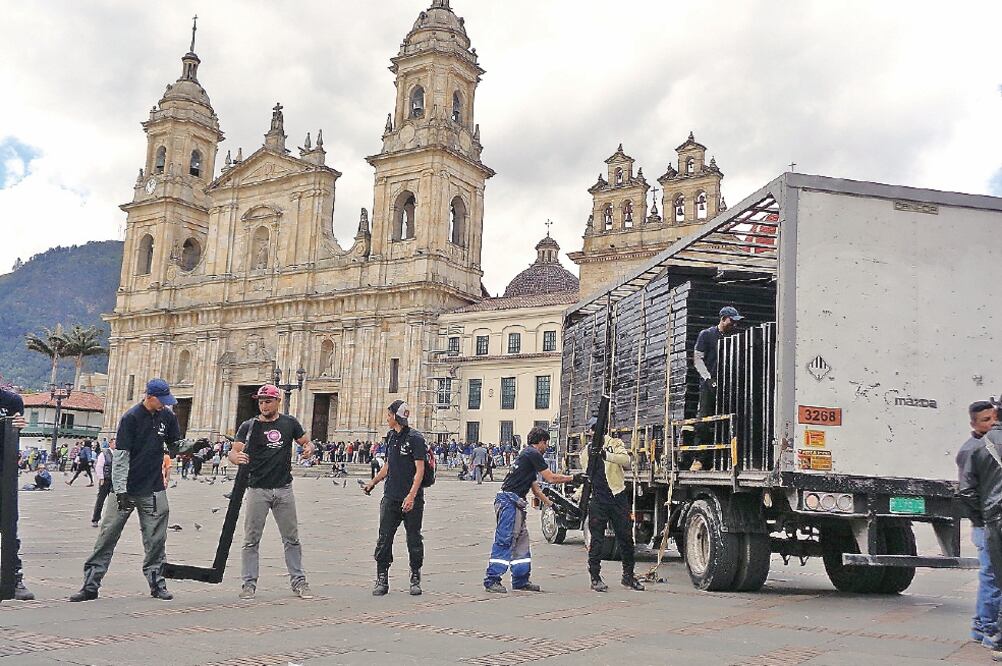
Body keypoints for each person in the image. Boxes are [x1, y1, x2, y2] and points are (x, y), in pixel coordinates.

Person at [69, 379, 180, 602]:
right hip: (126, 489)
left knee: (156, 540)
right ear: (150, 396)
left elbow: (174, 445)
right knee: (107, 536)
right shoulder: (131, 418)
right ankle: (90, 585)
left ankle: (157, 584)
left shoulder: (168, 417)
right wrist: (119, 490)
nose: (165, 405)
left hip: (154, 488)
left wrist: (193, 446)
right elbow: (121, 458)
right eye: (162, 400)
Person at [229, 384, 314, 600]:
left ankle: (299, 582)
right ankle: (249, 584)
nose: (264, 405)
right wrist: (234, 458)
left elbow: (306, 441)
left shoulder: (289, 423)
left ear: (278, 402)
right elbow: (234, 451)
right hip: (257, 489)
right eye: (261, 401)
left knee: (291, 538)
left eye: (268, 401)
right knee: (251, 539)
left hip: (284, 489)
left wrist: (308, 449)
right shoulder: (249, 426)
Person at [484, 427, 581, 593]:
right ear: (542, 441)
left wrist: (551, 504)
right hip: (509, 502)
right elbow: (550, 478)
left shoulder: (527, 457)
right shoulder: (533, 454)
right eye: (547, 443)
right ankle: (492, 580)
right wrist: (573, 478)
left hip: (515, 503)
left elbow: (535, 489)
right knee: (505, 540)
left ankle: (521, 580)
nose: (547, 447)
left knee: (522, 543)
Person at [362, 400, 426, 597]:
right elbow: (388, 465)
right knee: (384, 538)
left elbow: (420, 470)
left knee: (414, 539)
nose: (387, 418)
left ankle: (415, 576)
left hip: (411, 498)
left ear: (396, 417)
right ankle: (382, 578)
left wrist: (411, 496)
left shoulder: (415, 438)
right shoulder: (390, 436)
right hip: (391, 496)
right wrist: (373, 483)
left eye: (389, 415)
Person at [958, 401, 1002, 648]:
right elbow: (967, 491)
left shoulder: (986, 444)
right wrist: (983, 516)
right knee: (992, 578)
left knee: (992, 577)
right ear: (973, 423)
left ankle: (980, 626)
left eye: (991, 418)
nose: (989, 423)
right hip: (987, 522)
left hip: (989, 519)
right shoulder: (973, 449)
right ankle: (987, 629)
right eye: (984, 420)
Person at [580, 429, 646, 592]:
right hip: (599, 498)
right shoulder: (586, 451)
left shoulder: (614, 443)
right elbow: (587, 472)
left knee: (626, 538)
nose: (593, 433)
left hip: (617, 495)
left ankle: (628, 576)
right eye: (591, 430)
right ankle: (595, 577)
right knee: (597, 540)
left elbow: (626, 460)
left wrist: (606, 455)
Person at [690, 305, 743, 471]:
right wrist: (708, 378)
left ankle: (722, 461)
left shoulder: (735, 337)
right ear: (723, 319)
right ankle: (699, 459)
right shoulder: (706, 335)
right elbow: (697, 359)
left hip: (729, 384)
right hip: (709, 384)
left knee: (728, 422)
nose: (734, 325)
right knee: (704, 420)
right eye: (731, 321)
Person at [0, 386, 36, 600]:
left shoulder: (11, 401)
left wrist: (19, 426)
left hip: (4, 475)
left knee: (8, 527)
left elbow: (15, 429)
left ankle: (14, 578)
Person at [91, 442, 115, 527]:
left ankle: (112, 520)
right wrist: (101, 478)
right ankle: (95, 519)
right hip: (105, 479)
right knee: (100, 500)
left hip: (114, 480)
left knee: (114, 501)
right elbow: (99, 466)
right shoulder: (104, 454)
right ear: (110, 444)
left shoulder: (118, 454)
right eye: (114, 443)